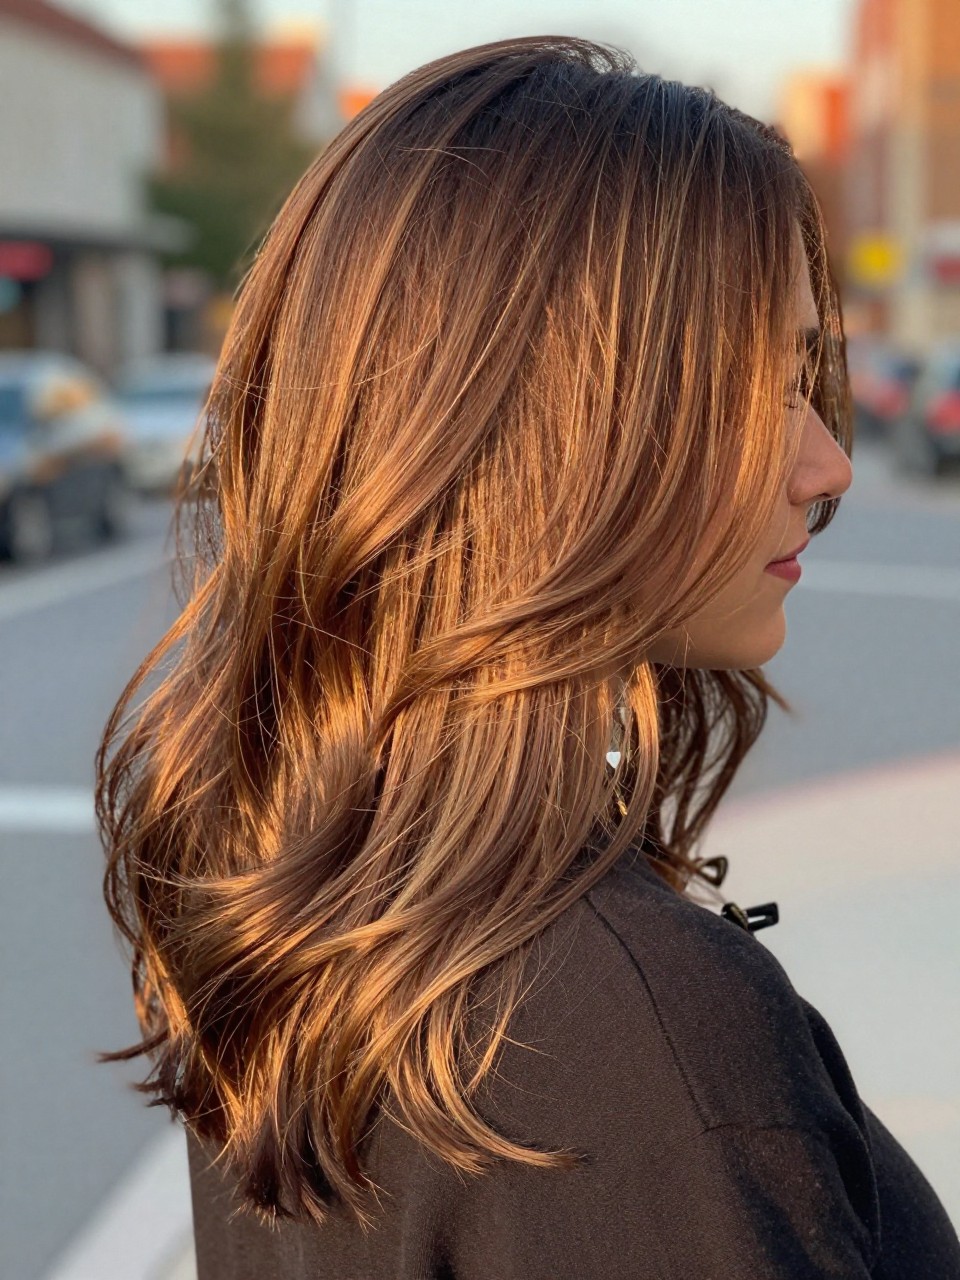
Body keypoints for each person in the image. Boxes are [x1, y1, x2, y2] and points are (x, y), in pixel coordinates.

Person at [95, 34, 960, 1279]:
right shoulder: (627, 1027)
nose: (827, 463)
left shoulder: (325, 901)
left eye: (807, 375)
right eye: (754, 387)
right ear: (545, 428)